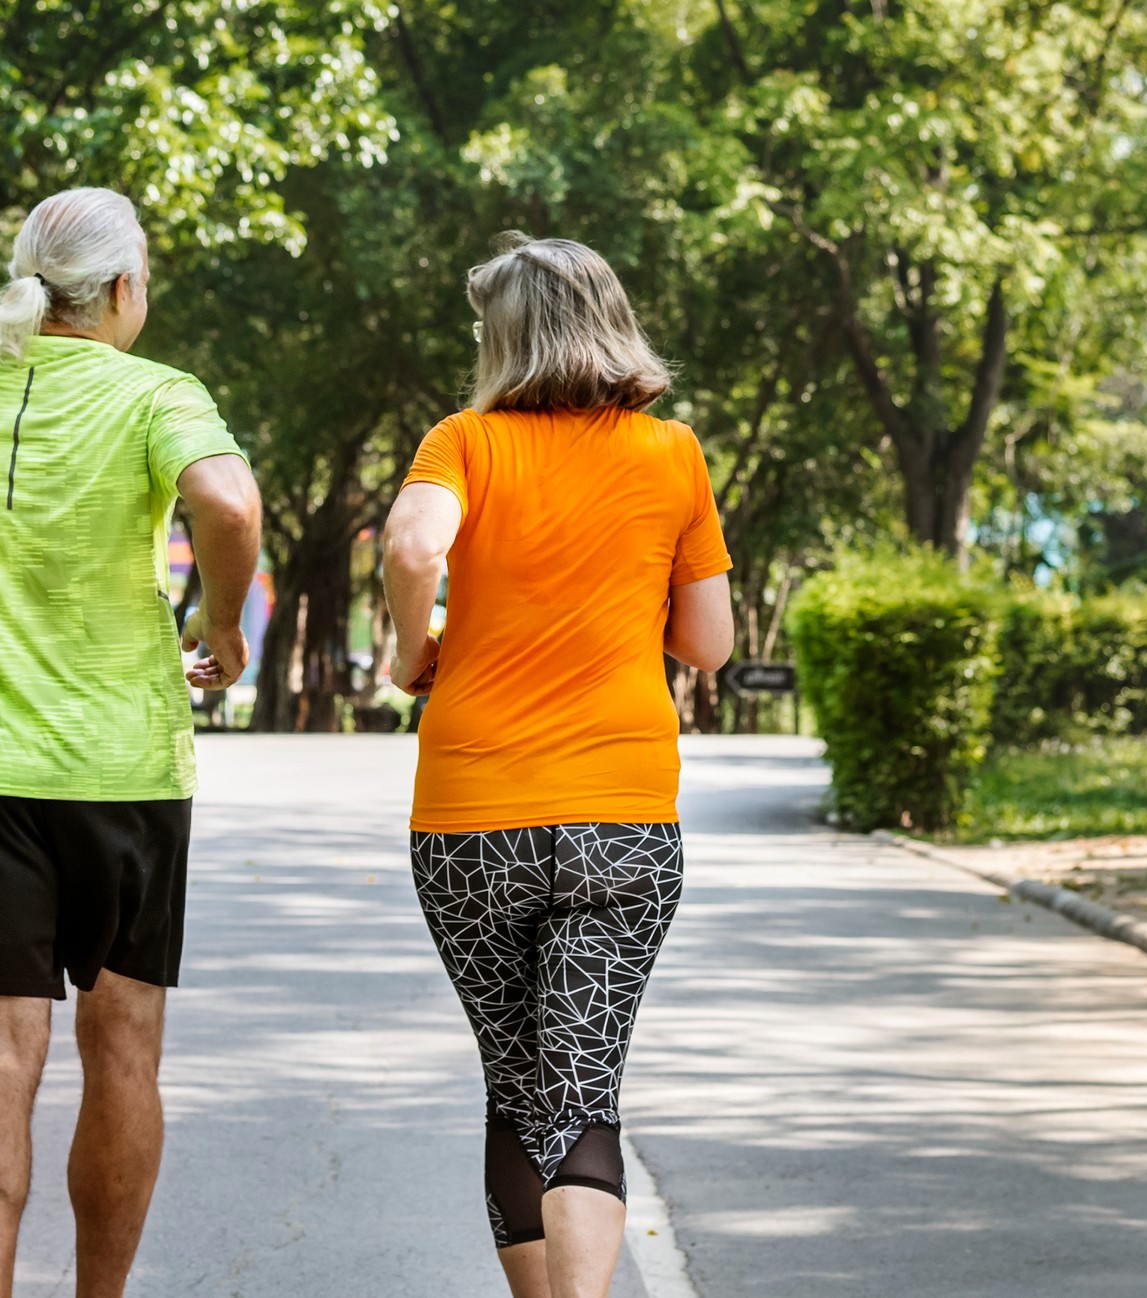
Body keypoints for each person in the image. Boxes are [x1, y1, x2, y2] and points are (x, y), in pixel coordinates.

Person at [0, 187, 261, 1298]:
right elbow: (226, 501)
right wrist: (218, 629)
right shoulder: (156, 393)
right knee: (121, 1047)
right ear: (122, 289)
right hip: (127, 773)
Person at [381, 233, 734, 1298]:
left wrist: (412, 652)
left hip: (469, 820)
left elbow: (408, 546)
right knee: (577, 1088)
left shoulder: (464, 441)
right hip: (619, 821)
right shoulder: (670, 453)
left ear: (506, 337)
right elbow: (707, 644)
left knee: (514, 1081)